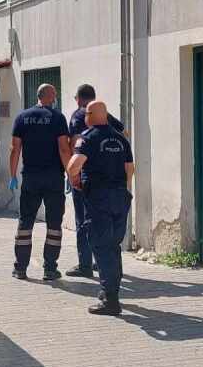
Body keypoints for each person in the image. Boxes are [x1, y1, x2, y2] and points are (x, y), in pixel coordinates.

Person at [65, 101, 134, 316]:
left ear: (90, 115)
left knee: (102, 246)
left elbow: (74, 165)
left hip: (99, 198)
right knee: (113, 246)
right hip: (120, 197)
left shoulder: (88, 137)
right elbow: (130, 169)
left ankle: (110, 300)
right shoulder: (121, 139)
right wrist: (124, 191)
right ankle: (111, 292)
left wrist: (74, 178)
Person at [8, 83, 71, 281]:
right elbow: (64, 149)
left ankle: (20, 268)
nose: (56, 97)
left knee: (25, 222)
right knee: (54, 224)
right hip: (53, 178)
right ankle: (50, 269)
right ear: (50, 96)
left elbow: (15, 149)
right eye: (55, 94)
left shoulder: (22, 117)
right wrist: (71, 173)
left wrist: (12, 175)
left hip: (31, 178)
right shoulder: (58, 118)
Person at [66, 83, 125, 278]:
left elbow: (75, 144)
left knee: (84, 221)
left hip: (87, 179)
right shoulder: (105, 116)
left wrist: (73, 176)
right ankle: (106, 264)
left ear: (79, 99)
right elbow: (124, 134)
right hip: (112, 181)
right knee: (108, 224)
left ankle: (85, 265)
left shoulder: (78, 116)